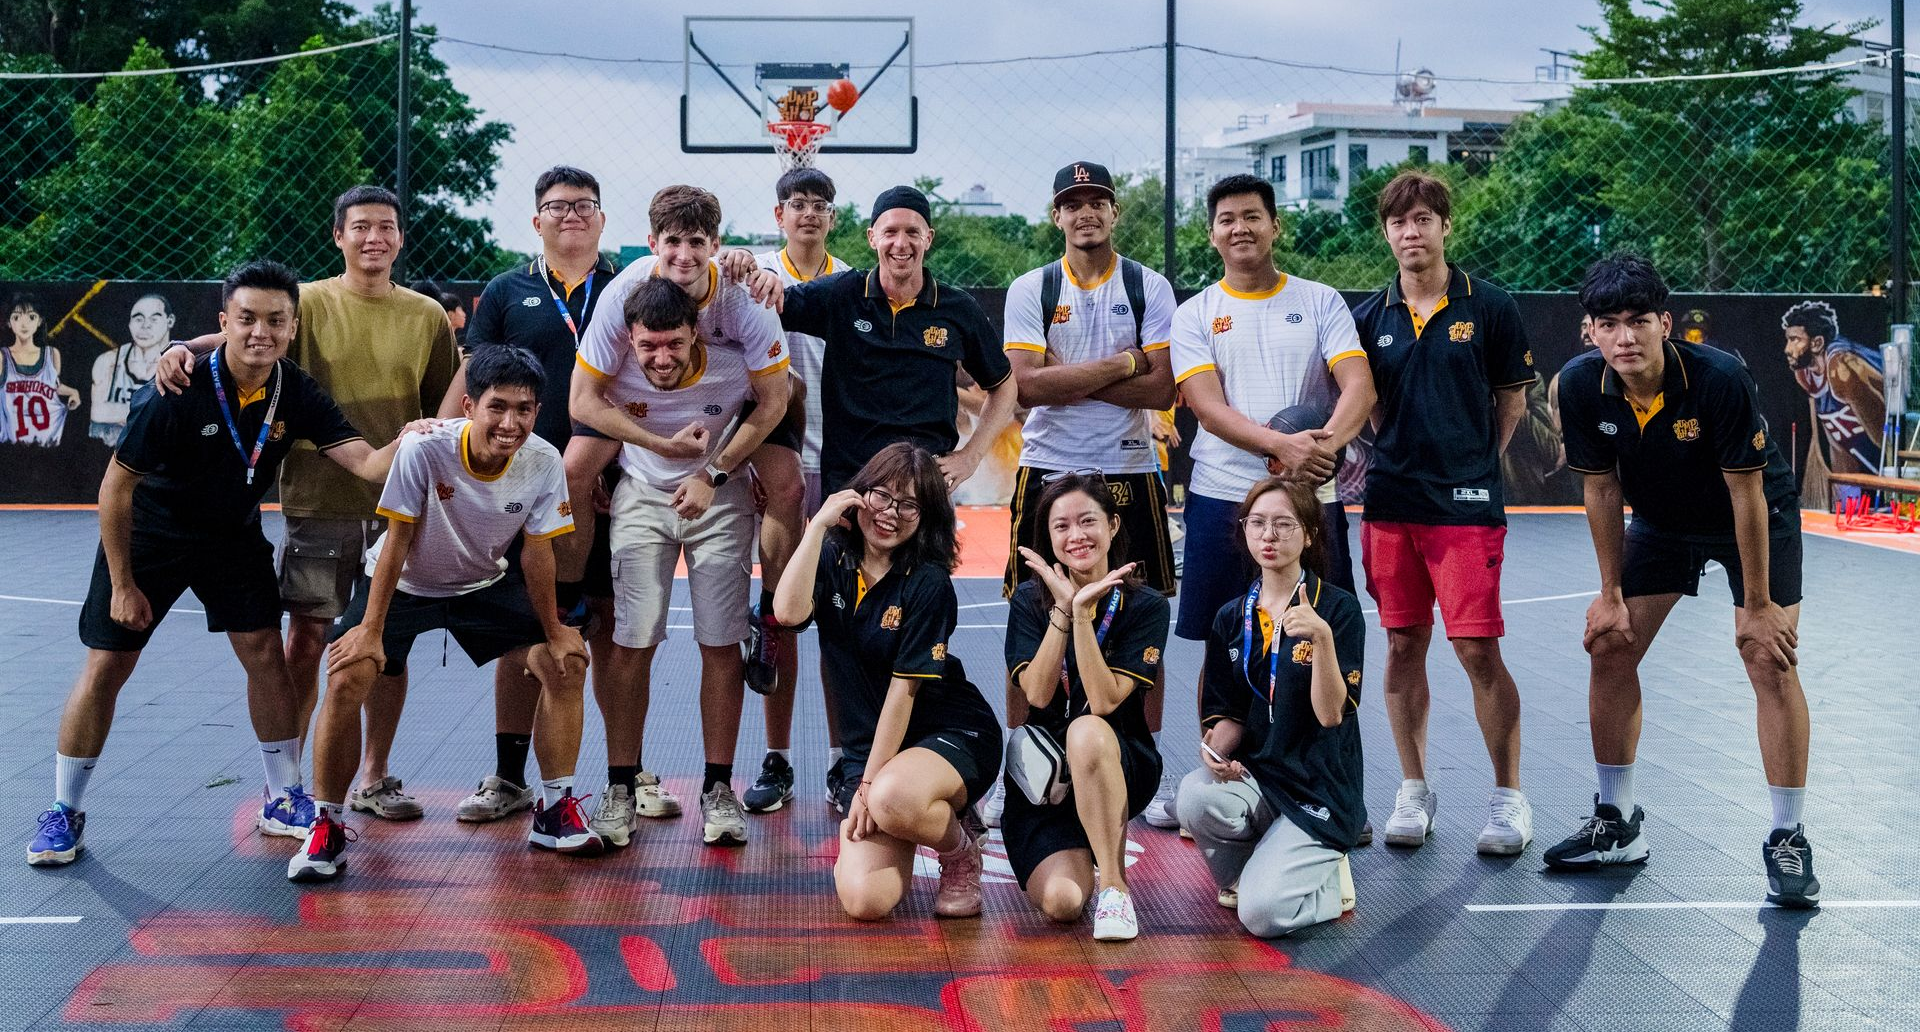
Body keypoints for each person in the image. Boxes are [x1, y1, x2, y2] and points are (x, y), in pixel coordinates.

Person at [28, 261, 414, 866]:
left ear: (292, 327)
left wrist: (416, 438)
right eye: (248, 319)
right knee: (108, 664)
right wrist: (123, 582)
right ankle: (64, 811)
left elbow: (366, 463)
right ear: (224, 322)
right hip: (153, 534)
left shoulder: (296, 391)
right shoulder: (176, 389)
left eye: (276, 321)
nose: (261, 332)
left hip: (231, 536)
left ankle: (282, 798)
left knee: (265, 653)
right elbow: (115, 488)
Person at [156, 186, 460, 823]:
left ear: (401, 238)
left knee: (389, 645)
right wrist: (183, 348)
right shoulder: (309, 302)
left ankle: (374, 776)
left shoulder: (428, 315)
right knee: (307, 639)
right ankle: (287, 787)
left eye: (386, 226)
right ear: (338, 236)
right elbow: (247, 338)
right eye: (361, 226)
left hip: (397, 507)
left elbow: (442, 408)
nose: (374, 237)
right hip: (318, 500)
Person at [1547, 255, 1820, 908]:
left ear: (1664, 324)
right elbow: (1601, 489)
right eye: (1609, 324)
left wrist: (1759, 606)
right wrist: (1610, 595)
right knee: (1609, 643)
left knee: (1768, 657)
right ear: (1591, 332)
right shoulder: (1580, 386)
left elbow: (1746, 493)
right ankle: (1617, 822)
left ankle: (1788, 836)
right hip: (1663, 520)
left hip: (1751, 513)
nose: (1625, 337)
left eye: (1638, 321)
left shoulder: (1719, 378)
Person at [291, 346, 590, 881]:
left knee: (565, 664)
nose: (510, 423)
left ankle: (555, 810)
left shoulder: (544, 460)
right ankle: (326, 826)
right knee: (348, 673)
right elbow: (398, 539)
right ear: (469, 406)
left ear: (537, 412)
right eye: (497, 407)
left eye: (524, 409)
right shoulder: (424, 448)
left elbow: (537, 552)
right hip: (404, 583)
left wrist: (554, 630)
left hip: (482, 583)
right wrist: (371, 630)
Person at [765, 183, 1017, 811]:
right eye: (890, 231)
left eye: (912, 232)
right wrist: (746, 269)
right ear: (871, 237)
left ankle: (922, 750)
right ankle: (846, 760)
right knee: (838, 631)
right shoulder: (842, 294)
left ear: (928, 239)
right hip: (853, 494)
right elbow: (776, 300)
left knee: (918, 623)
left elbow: (1004, 386)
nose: (901, 243)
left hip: (922, 500)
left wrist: (969, 456)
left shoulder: (955, 309)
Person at [1169, 173, 1376, 834]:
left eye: (1252, 216)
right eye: (1227, 218)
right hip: (1222, 498)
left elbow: (1359, 385)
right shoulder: (1195, 312)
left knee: (1325, 641)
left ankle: (1337, 792)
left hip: (1309, 503)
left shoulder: (1319, 300)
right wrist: (1281, 447)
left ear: (1275, 225)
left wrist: (1323, 448)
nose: (1240, 228)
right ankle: (1216, 782)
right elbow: (1206, 407)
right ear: (1212, 233)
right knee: (1220, 644)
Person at [984, 161, 1179, 832]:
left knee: (1142, 613)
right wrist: (1124, 363)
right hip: (1048, 466)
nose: (1086, 212)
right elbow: (1027, 386)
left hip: (1129, 467)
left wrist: (1068, 378)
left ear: (1114, 212)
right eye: (1073, 203)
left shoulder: (1147, 285)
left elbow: (1163, 388)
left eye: (1097, 200)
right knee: (1030, 615)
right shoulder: (1032, 287)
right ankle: (1021, 764)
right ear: (1057, 216)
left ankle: (1144, 765)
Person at [1350, 170, 1535, 855]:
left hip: (1465, 505)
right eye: (1399, 222)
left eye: (1423, 219)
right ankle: (1414, 788)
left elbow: (1512, 400)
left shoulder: (1490, 306)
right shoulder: (1369, 317)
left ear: (1445, 226)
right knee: (1402, 644)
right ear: (1386, 233)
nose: (1411, 232)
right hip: (1391, 502)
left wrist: (1473, 462)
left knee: (1476, 648)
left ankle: (1509, 799)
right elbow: (1368, 408)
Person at [571, 277, 790, 848]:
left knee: (720, 642)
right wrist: (655, 447)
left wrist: (720, 472)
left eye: (673, 344)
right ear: (630, 339)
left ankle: (718, 788)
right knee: (632, 641)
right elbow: (582, 403)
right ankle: (620, 788)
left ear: (697, 333)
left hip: (719, 498)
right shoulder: (615, 362)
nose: (661, 358)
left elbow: (782, 396)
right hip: (642, 497)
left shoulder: (731, 365)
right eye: (649, 346)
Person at [444, 166, 621, 825]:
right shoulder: (505, 290)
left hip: (613, 482)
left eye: (584, 205)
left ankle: (624, 777)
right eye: (557, 205)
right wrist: (443, 441)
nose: (571, 214)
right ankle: (509, 777)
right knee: (525, 629)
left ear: (602, 219)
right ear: (536, 221)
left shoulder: (628, 287)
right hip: (523, 485)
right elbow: (475, 377)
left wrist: (607, 458)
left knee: (610, 632)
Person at [771, 443, 1003, 921]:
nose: (891, 513)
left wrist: (868, 786)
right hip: (870, 749)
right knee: (866, 901)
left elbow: (903, 693)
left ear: (927, 515)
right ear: (860, 495)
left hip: (949, 734)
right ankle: (914, 813)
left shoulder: (928, 582)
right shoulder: (833, 555)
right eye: (882, 496)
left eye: (909, 504)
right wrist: (815, 527)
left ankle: (960, 849)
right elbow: (787, 613)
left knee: (892, 798)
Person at [1176, 477, 1364, 937]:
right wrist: (1216, 750)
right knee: (1194, 795)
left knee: (1262, 917)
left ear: (1309, 534)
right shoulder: (1232, 616)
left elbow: (1330, 715)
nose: (1269, 535)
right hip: (1262, 778)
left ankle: (1327, 881)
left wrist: (1322, 639)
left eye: (1283, 524)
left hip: (1320, 788)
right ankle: (1252, 875)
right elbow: (1231, 714)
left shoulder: (1336, 610)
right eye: (1257, 523)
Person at [1002, 471, 1168, 941]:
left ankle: (1115, 886)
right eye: (1062, 526)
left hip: (1117, 756)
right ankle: (1081, 854)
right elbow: (1037, 694)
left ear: (1112, 525)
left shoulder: (1146, 606)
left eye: (1088, 521)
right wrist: (1063, 610)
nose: (1076, 535)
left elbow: (1105, 700)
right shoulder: (1029, 602)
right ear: (1049, 536)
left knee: (1087, 730)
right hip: (1047, 779)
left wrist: (1083, 616)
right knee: (1063, 903)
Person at [736, 167, 854, 814]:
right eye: (797, 203)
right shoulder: (753, 278)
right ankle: (776, 758)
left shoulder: (855, 284)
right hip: (777, 465)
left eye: (819, 204)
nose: (808, 213)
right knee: (779, 621)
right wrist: (753, 462)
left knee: (838, 620)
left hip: (839, 465)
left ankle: (842, 761)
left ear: (832, 217)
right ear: (778, 214)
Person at [1781, 300, 1885, 480]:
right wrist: (1844, 489)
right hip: (1865, 459)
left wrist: (1889, 480)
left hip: (1887, 457)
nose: (1787, 349)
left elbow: (1884, 434)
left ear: (1817, 343)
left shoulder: (1841, 369)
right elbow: (1837, 440)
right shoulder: (1804, 374)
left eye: (1795, 340)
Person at [89, 293, 174, 447]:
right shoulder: (107, 361)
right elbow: (98, 414)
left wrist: (117, 413)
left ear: (170, 321)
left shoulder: (181, 363)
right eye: (138, 319)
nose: (145, 325)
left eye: (154, 319)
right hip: (114, 452)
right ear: (129, 323)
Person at [4, 293, 82, 447]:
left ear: (39, 321)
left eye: (31, 317)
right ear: (9, 322)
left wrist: (74, 393)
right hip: (10, 445)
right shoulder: (2, 357)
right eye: (17, 317)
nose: (24, 324)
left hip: (45, 444)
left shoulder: (52, 354)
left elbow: (52, 386)